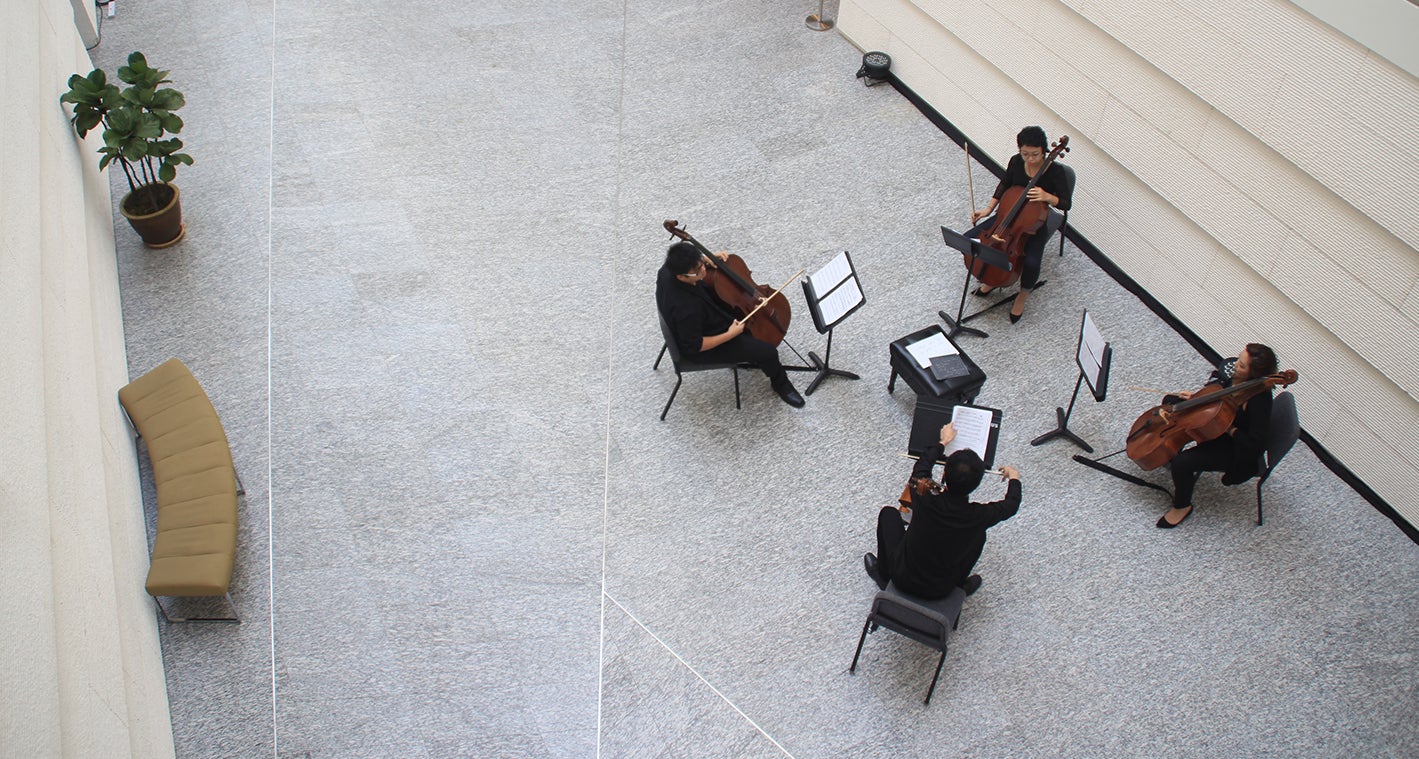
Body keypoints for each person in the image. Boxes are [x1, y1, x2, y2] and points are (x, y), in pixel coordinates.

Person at [863, 423, 1021, 599]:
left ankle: (884, 576)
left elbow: (921, 467)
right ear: (976, 485)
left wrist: (943, 442)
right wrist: (1014, 477)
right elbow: (1012, 505)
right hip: (940, 590)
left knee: (889, 514)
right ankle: (959, 586)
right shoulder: (979, 516)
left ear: (944, 474)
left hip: (901, 576)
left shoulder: (924, 497)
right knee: (979, 536)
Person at [656, 241, 805, 408]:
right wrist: (730, 334)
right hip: (703, 345)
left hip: (702, 316)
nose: (703, 270)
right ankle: (781, 385)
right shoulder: (686, 309)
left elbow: (692, 263)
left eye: (700, 264)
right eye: (697, 270)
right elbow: (695, 346)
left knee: (724, 288)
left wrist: (707, 258)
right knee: (768, 352)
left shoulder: (667, 270)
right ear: (681, 277)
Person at [1155, 343, 1278, 528]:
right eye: (1238, 359)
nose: (1235, 365)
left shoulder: (1259, 401)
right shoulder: (1236, 378)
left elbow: (1256, 445)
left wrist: (1230, 429)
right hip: (1218, 423)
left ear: (1254, 375)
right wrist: (1197, 398)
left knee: (1183, 463)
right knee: (1172, 403)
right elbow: (1220, 398)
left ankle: (1182, 506)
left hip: (1236, 447)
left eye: (1241, 365)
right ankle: (1171, 448)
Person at [968, 126, 1073, 323]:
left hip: (1034, 224)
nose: (1030, 159)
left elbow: (1066, 203)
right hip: (1008, 216)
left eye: (1035, 154)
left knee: (1031, 262)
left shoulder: (1056, 172)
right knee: (974, 238)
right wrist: (988, 209)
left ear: (1044, 151)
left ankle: (1023, 295)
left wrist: (1047, 196)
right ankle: (992, 279)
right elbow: (1005, 184)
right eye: (1025, 154)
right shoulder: (1016, 161)